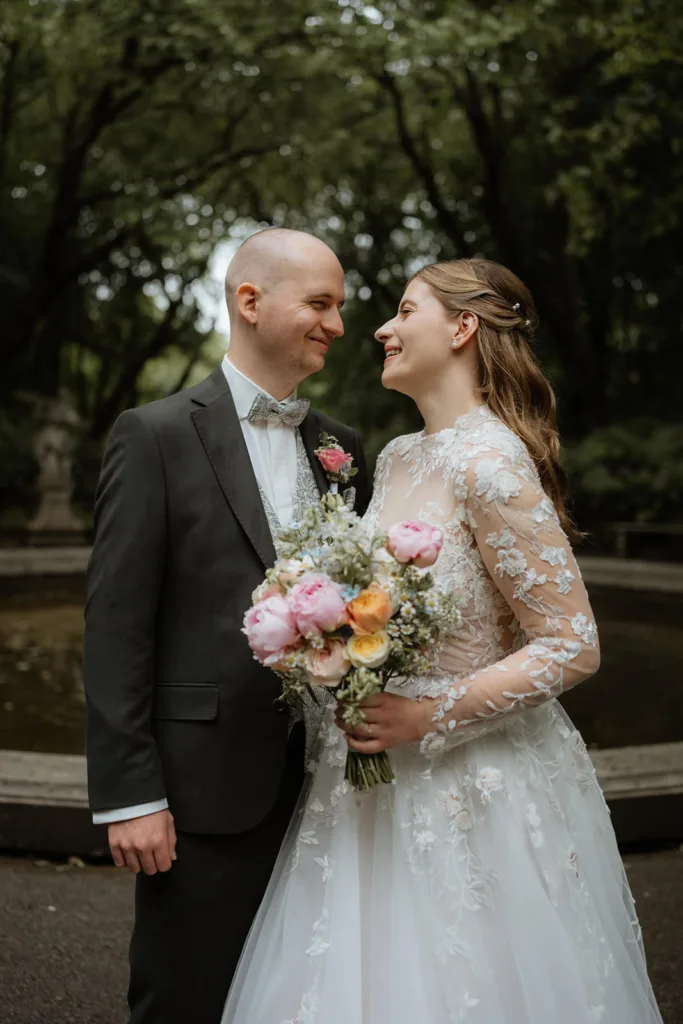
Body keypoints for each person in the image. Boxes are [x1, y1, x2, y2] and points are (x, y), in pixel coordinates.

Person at [221, 258, 662, 1023]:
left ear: (461, 328)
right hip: (364, 782)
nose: (382, 329)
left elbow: (571, 643)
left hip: (467, 781)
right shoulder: (395, 457)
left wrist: (428, 716)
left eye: (402, 310)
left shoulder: (490, 462)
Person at [82, 228, 372, 1024]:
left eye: (340, 307)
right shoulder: (155, 434)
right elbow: (115, 626)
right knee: (186, 996)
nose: (337, 324)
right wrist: (130, 793)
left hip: (330, 783)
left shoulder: (341, 448)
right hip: (203, 784)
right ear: (250, 301)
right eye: (320, 303)